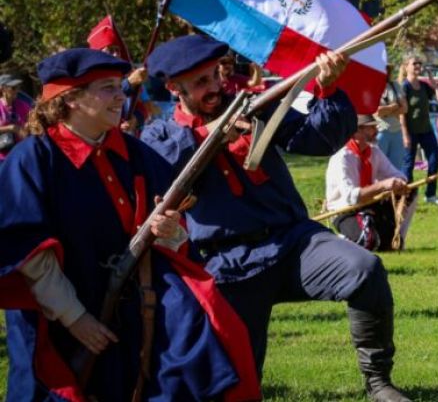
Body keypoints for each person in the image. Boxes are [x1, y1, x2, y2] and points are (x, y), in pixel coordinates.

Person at [140, 35, 409, 401]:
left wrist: (328, 90)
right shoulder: (161, 133)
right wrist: (213, 133)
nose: (215, 87)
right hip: (227, 265)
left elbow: (317, 139)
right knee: (241, 384)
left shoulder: (251, 107)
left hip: (294, 242)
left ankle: (379, 383)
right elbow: (163, 164)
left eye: (215, 76)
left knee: (364, 269)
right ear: (174, 89)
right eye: (200, 83)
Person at [0, 48, 259, 401]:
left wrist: (171, 233)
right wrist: (75, 318)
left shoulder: (138, 155)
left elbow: (173, 236)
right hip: (56, 319)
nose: (121, 95)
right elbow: (28, 253)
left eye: (119, 86)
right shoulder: (31, 160)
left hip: (132, 313)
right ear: (71, 99)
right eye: (107, 88)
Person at [326, 114, 415, 251]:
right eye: (371, 127)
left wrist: (398, 184)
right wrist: (382, 185)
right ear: (356, 131)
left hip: (369, 205)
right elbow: (352, 197)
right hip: (345, 211)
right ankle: (341, 240)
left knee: (410, 191)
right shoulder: (342, 158)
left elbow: (398, 176)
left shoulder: (374, 152)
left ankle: (398, 237)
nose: (377, 130)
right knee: (369, 241)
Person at [399, 55, 438, 205]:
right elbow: (401, 113)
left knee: (434, 160)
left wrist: (434, 84)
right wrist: (405, 134)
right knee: (408, 165)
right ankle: (408, 196)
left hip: (426, 130)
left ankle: (430, 194)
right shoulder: (404, 87)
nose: (418, 66)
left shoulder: (424, 86)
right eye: (414, 63)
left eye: (420, 63)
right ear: (407, 67)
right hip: (411, 131)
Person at [375, 65, 408, 171]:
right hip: (380, 130)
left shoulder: (395, 85)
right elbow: (376, 112)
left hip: (396, 131)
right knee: (378, 167)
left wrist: (385, 111)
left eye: (387, 69)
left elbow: (404, 108)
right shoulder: (371, 86)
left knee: (395, 168)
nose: (386, 72)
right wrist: (393, 107)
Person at [0, 73, 30, 161]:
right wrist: (12, 128)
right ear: (2, 89)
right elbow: (13, 128)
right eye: (13, 88)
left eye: (18, 87)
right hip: (2, 158)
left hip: (21, 155)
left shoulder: (23, 105)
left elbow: (33, 121)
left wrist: (27, 127)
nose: (17, 90)